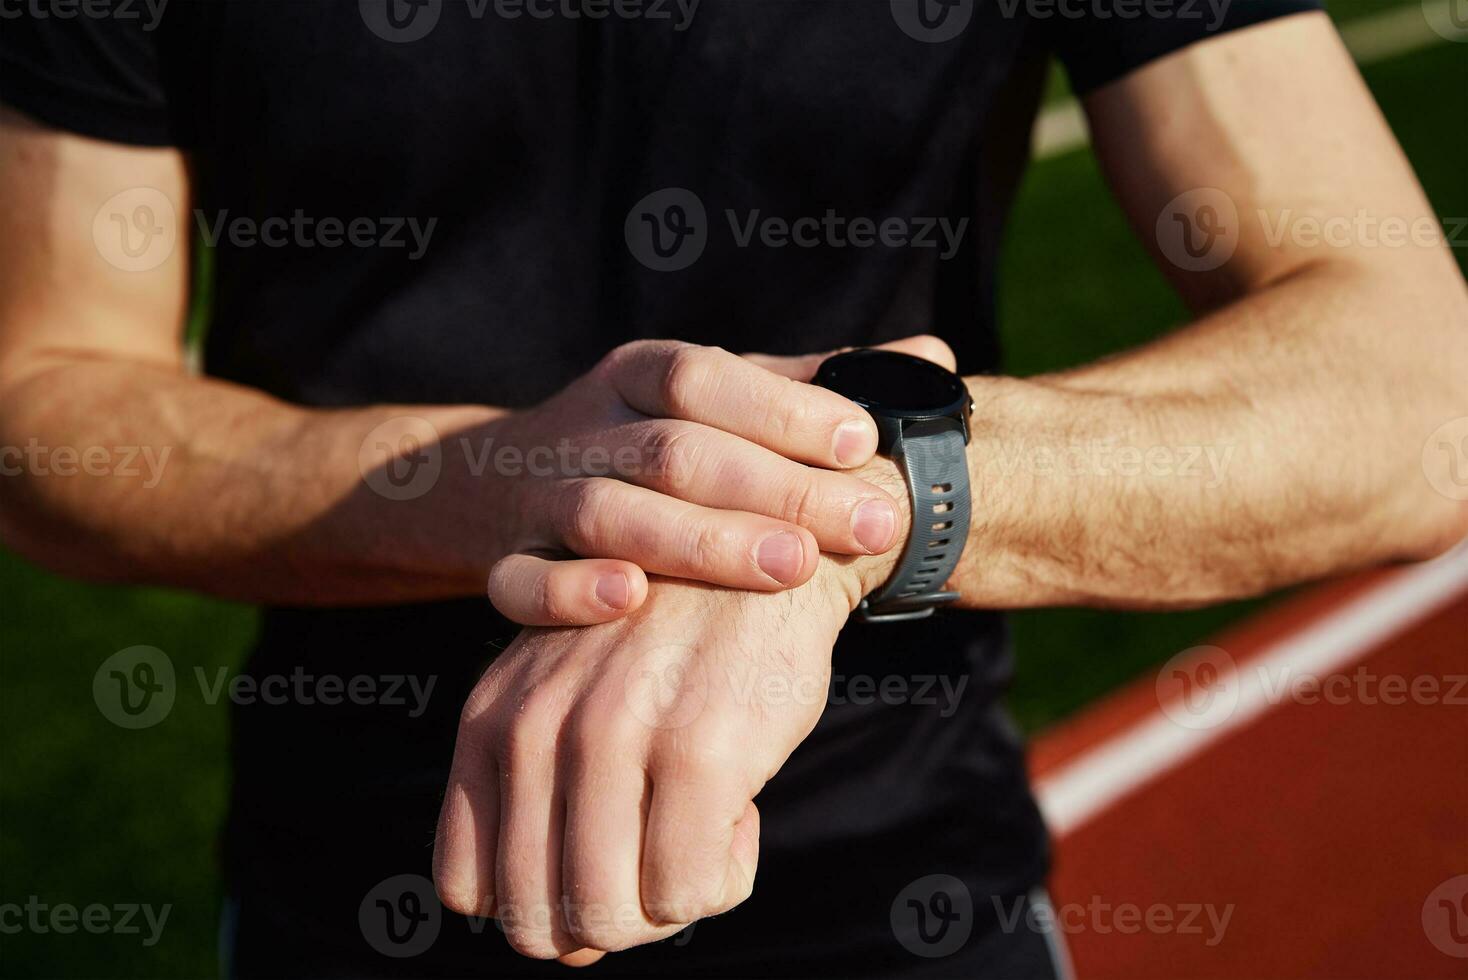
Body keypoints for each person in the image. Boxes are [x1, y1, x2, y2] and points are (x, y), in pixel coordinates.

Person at [0, 2, 1463, 977]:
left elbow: (1419, 395)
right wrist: (523, 483)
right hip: (373, 880)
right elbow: (43, 394)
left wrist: (851, 505)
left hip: (901, 882)